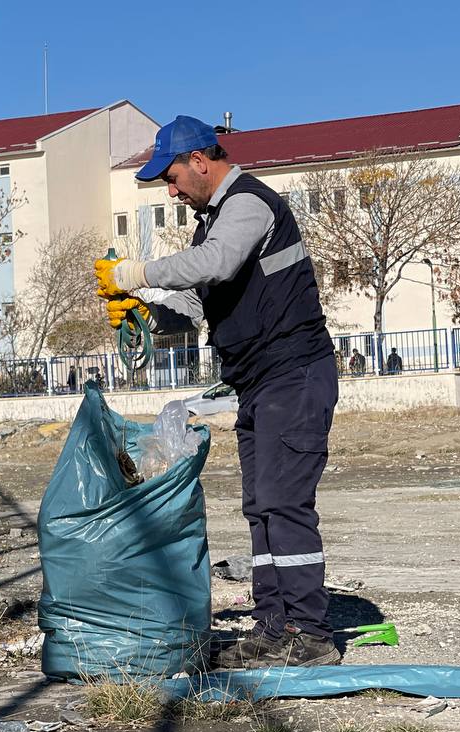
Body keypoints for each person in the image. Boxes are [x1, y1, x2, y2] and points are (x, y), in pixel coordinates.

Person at [95, 114, 339, 668]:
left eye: (173, 178)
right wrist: (148, 316)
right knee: (261, 507)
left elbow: (217, 262)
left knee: (284, 503)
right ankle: (276, 628)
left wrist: (137, 273)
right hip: (260, 382)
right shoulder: (211, 223)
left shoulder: (249, 205)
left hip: (294, 374)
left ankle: (311, 633)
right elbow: (201, 301)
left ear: (199, 162)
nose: (172, 191)